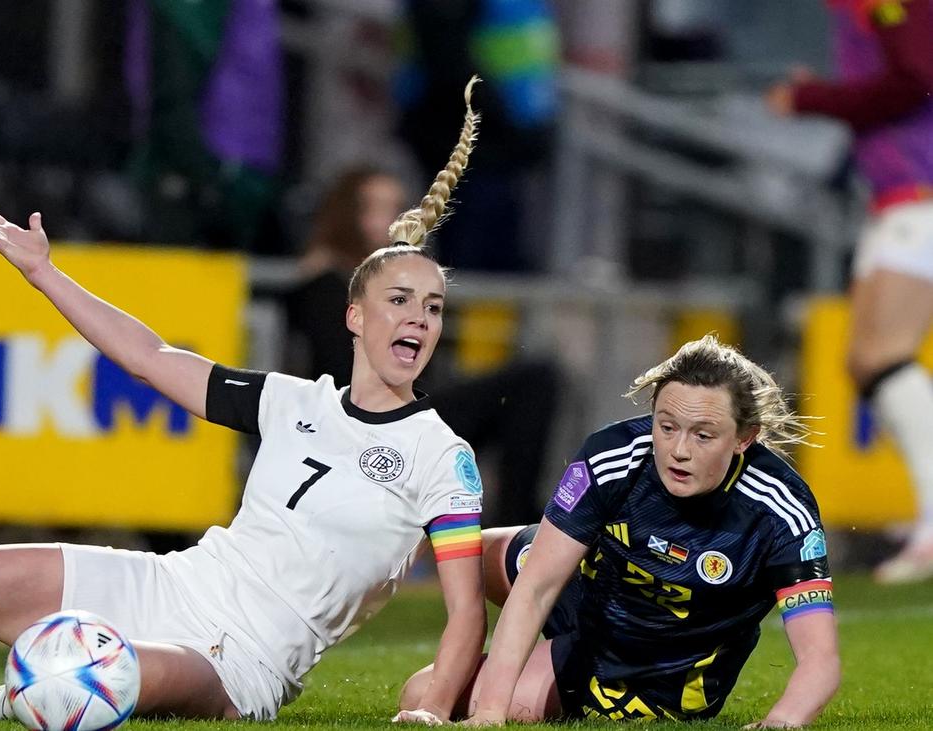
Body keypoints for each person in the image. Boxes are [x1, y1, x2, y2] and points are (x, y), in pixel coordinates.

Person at [0, 78, 487, 725]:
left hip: (243, 661)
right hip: (169, 585)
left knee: (96, 677)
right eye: (399, 301)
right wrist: (44, 273)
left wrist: (429, 711)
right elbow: (148, 357)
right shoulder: (289, 400)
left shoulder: (439, 455)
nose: (418, 320)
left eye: (432, 307)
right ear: (355, 315)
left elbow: (462, 615)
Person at [399, 336, 840, 726]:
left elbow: (820, 660)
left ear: (744, 438)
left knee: (417, 692)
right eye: (667, 426)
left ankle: (555, 666)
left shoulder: (781, 510)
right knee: (463, 554)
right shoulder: (614, 455)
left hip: (647, 671)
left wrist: (779, 723)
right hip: (591, 591)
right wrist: (490, 713)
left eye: (703, 436)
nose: (679, 450)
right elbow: (536, 588)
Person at [287, 167, 560, 528]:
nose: (393, 222)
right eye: (377, 209)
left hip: (412, 408)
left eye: (398, 208)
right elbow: (344, 371)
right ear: (348, 216)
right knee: (533, 382)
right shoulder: (327, 284)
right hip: (369, 422)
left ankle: (514, 525)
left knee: (533, 382)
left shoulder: (401, 279)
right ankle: (514, 525)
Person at [767, 0, 933, 583]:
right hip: (897, 194)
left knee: (881, 355)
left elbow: (915, 77)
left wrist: (814, 99)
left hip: (919, 192)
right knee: (867, 359)